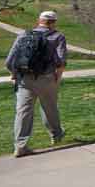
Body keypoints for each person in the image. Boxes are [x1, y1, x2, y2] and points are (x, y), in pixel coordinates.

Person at [4, 10, 68, 157]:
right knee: (49, 108)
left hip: (24, 80)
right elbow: (61, 61)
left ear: (38, 20)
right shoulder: (57, 36)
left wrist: (14, 74)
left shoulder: (24, 35)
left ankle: (20, 145)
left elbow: (9, 61)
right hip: (47, 78)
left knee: (23, 112)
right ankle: (56, 135)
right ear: (53, 22)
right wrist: (58, 77)